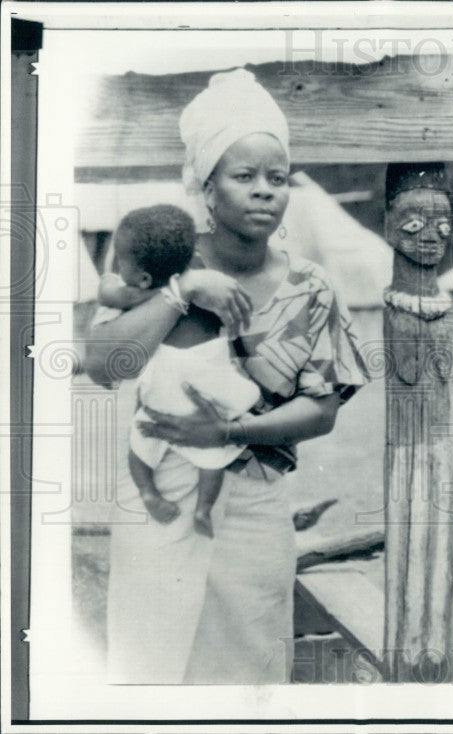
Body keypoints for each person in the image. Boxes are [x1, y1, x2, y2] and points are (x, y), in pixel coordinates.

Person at [84, 69, 369, 684]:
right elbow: (105, 362)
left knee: (248, 675)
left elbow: (321, 410)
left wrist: (230, 432)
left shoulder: (309, 287)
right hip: (159, 495)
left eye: (276, 177)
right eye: (243, 177)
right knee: (151, 664)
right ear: (206, 187)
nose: (264, 191)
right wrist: (184, 292)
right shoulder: (163, 261)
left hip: (253, 505)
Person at [99, 204, 261, 538]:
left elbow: (109, 293)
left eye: (119, 259)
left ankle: (147, 491)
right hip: (207, 387)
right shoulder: (209, 284)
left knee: (139, 447)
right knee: (212, 459)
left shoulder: (143, 293)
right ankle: (203, 508)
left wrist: (108, 283)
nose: (117, 266)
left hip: (165, 390)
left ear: (143, 276)